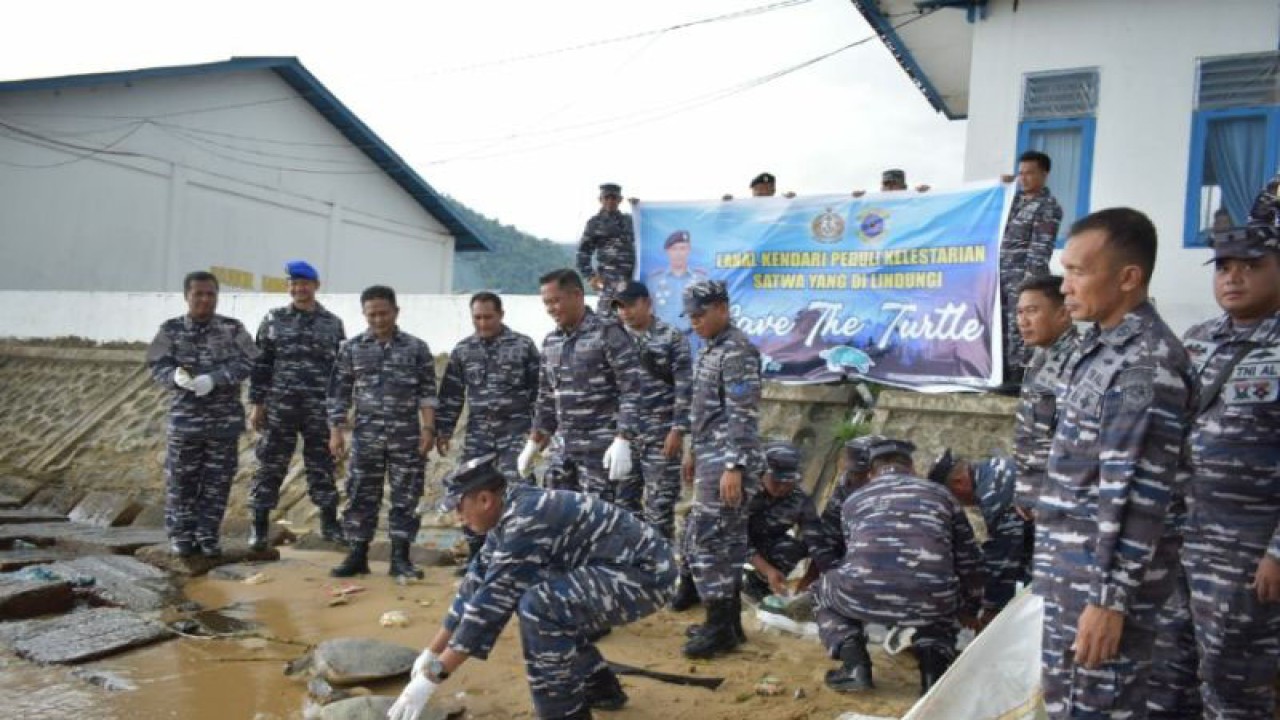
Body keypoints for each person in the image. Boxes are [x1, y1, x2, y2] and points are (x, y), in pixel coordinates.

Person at [1037, 207, 1193, 719]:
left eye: (1079, 271)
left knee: (1096, 707)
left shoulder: (1145, 363)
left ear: (1129, 277)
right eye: (1066, 271)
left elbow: (1135, 495)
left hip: (1101, 589)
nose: (1065, 286)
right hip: (1074, 575)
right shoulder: (1103, 348)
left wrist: (1108, 600)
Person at [385, 455, 677, 720]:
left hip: (646, 576)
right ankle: (600, 688)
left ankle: (563, 713)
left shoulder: (526, 519)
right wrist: (432, 652)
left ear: (485, 499)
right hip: (620, 569)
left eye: (459, 509)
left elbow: (489, 608)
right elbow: (477, 583)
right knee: (543, 596)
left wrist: (434, 676)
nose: (458, 519)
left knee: (539, 606)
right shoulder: (509, 510)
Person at [1180, 224, 1280, 718]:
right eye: (1223, 266)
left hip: (1248, 547)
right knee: (1172, 669)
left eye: (1251, 266)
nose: (1233, 277)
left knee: (1234, 680)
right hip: (1181, 535)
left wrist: (1278, 553)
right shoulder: (1197, 341)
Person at [816, 436, 982, 696]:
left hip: (863, 594)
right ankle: (933, 674)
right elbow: (969, 560)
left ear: (871, 473)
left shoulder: (853, 500)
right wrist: (970, 607)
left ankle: (855, 666)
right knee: (940, 599)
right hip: (929, 598)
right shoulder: (941, 495)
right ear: (912, 467)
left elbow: (854, 554)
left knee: (821, 591)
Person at [327, 285, 438, 580]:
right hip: (367, 436)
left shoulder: (416, 348)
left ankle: (400, 559)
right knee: (360, 495)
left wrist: (428, 428)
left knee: (405, 497)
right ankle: (357, 555)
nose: (378, 319)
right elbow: (339, 393)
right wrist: (336, 432)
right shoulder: (351, 348)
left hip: (407, 436)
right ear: (364, 314)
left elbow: (427, 393)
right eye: (371, 314)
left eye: (383, 313)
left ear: (396, 311)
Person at [678, 279, 764, 659]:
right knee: (723, 542)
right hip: (712, 456)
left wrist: (734, 465)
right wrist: (694, 452)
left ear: (722, 309)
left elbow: (742, 414)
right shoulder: (711, 349)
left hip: (728, 462)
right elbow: (707, 413)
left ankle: (719, 626)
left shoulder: (737, 352)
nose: (694, 322)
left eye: (700, 314)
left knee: (711, 542)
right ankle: (727, 624)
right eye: (691, 316)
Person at [146, 270, 257, 558]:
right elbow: (156, 364)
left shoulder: (233, 329)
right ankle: (181, 536)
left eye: (210, 294)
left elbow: (250, 361)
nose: (205, 299)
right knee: (181, 482)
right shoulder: (170, 330)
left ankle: (207, 535)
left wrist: (217, 378)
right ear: (187, 296)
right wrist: (174, 376)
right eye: (199, 294)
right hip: (186, 423)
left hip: (224, 423)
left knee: (217, 483)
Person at [246, 260, 347, 551]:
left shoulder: (332, 324)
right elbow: (261, 363)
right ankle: (259, 527)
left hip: (319, 407)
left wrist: (337, 416)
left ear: (316, 286)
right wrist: (257, 403)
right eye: (293, 283)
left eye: (304, 283)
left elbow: (340, 372)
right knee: (270, 465)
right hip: (281, 407)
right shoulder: (273, 319)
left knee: (322, 466)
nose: (298, 288)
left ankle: (329, 524)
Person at [522, 269, 643, 510]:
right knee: (559, 522)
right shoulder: (551, 342)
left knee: (599, 525)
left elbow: (633, 388)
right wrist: (533, 442)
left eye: (556, 301)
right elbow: (546, 397)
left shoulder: (607, 333)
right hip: (563, 454)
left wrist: (624, 438)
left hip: (601, 452)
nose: (551, 309)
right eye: (546, 303)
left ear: (577, 295)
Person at [436, 291, 541, 568]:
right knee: (470, 494)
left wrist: (539, 433)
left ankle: (518, 556)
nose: (482, 323)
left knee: (519, 492)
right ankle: (476, 558)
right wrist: (444, 429)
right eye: (477, 318)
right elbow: (451, 395)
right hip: (478, 436)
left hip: (515, 434)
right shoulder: (463, 350)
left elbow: (540, 392)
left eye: (488, 317)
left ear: (501, 315)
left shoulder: (523, 346)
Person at [612, 281, 691, 539]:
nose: (625, 312)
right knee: (623, 506)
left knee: (660, 509)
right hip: (623, 437)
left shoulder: (671, 337)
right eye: (620, 307)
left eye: (630, 305)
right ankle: (630, 567)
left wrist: (677, 430)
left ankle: (661, 570)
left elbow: (684, 387)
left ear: (647, 303)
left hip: (660, 437)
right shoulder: (613, 338)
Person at [929, 450, 1028, 622]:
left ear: (959, 483)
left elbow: (1004, 556)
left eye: (955, 498)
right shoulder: (994, 469)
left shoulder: (993, 493)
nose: (961, 504)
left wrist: (991, 610)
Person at [1011, 274, 1078, 518]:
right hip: (1037, 493)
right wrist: (1026, 487)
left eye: (1032, 311)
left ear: (1063, 314)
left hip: (1062, 497)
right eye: (1019, 312)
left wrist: (1046, 492)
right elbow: (1029, 432)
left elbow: (1070, 439)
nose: (1023, 321)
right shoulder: (1040, 358)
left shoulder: (1077, 362)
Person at [999, 150, 1064, 385]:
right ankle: (1001, 374)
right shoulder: (1011, 201)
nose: (1023, 178)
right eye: (1020, 173)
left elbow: (1039, 251)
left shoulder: (1047, 207)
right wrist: (998, 189)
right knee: (1001, 329)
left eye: (1030, 173)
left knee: (1022, 327)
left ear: (1044, 174)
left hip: (1023, 280)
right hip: (999, 280)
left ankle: (1019, 378)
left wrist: (1027, 288)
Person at [742, 441, 822, 602]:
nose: (782, 487)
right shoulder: (744, 490)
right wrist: (768, 570)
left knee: (792, 548)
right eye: (777, 481)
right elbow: (733, 536)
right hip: (731, 542)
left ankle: (758, 585)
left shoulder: (800, 500)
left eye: (788, 482)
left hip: (764, 543)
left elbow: (817, 540)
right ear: (762, 472)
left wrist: (809, 580)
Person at [805, 434, 884, 584]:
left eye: (862, 474)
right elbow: (828, 532)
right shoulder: (846, 484)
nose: (855, 479)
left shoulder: (890, 496)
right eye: (854, 472)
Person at [575, 183, 635, 315]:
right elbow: (582, 254)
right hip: (608, 281)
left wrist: (637, 208)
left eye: (614, 198)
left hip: (631, 280)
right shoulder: (595, 223)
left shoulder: (630, 221)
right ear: (600, 199)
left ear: (620, 200)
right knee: (606, 319)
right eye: (606, 197)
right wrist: (590, 277)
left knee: (630, 320)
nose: (610, 201)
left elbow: (646, 226)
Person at [646, 230, 707, 336]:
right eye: (674, 249)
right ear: (667, 251)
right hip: (661, 336)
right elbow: (648, 311)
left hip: (692, 336)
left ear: (689, 250)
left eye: (683, 248)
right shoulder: (653, 280)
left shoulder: (701, 279)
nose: (678, 253)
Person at [851, 168, 930, 196]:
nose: (889, 188)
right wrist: (857, 202)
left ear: (904, 187)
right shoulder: (875, 206)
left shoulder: (913, 204)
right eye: (886, 185)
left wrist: (926, 195)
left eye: (894, 185)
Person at [723, 171, 795, 201]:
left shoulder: (780, 207)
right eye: (760, 189)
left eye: (768, 188)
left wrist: (792, 202)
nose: (764, 192)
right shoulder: (744, 208)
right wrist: (725, 207)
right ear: (753, 191)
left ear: (774, 190)